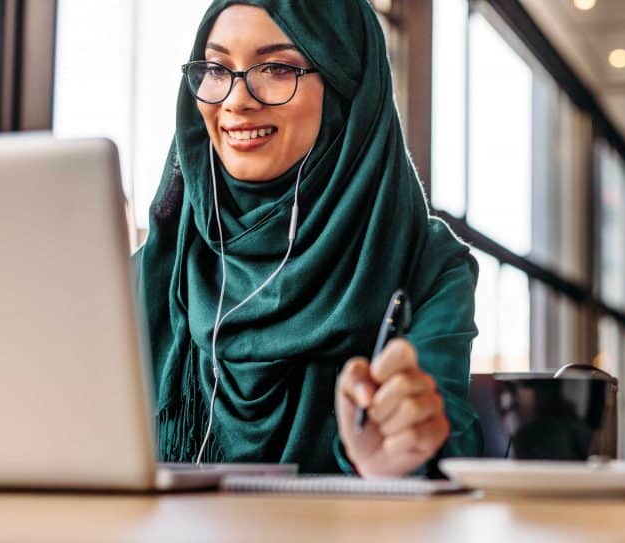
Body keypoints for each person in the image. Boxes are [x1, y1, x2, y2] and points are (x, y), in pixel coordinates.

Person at [135, 0, 482, 477]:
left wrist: (394, 457)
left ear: (346, 89)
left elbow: (445, 445)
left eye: (276, 67)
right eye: (217, 68)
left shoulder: (425, 261)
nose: (236, 100)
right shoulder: (156, 267)